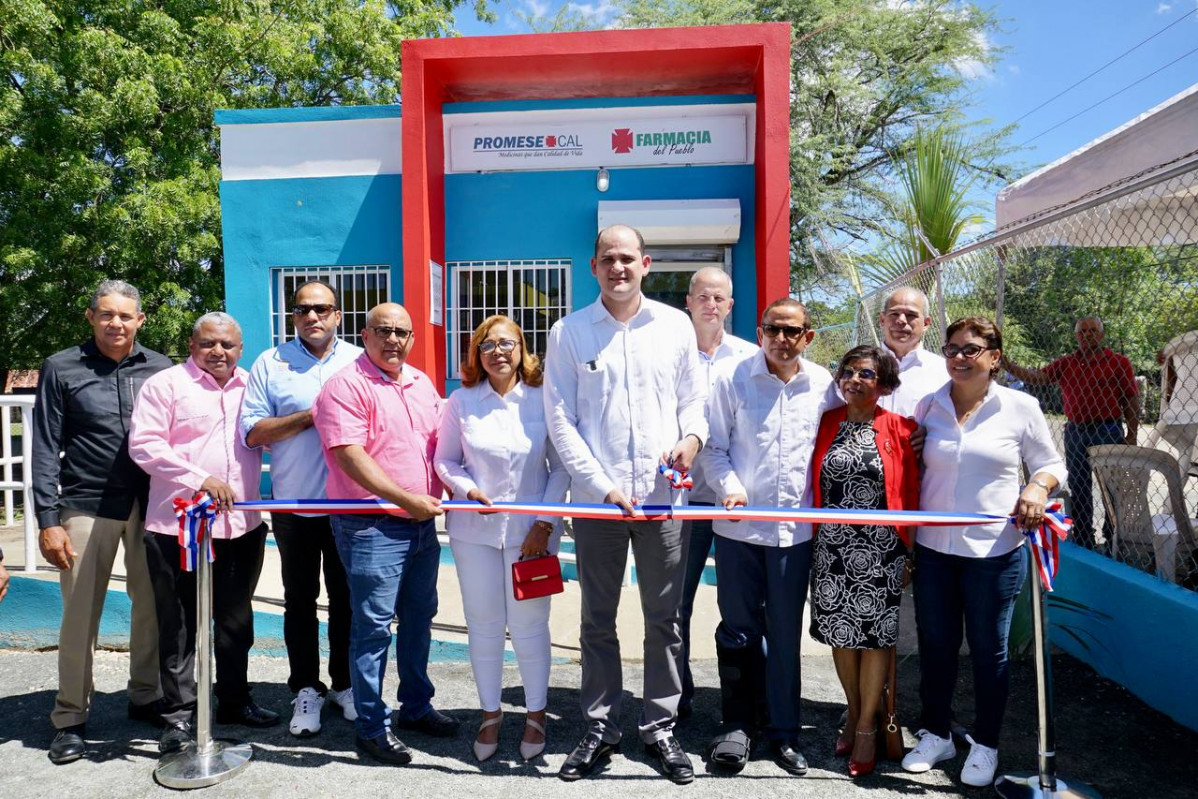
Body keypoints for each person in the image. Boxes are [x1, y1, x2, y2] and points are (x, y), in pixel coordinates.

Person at [544, 224, 706, 784]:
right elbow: (560, 421)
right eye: (607, 259)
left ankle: (660, 725)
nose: (618, 268)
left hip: (663, 502)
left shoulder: (675, 326)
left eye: (627, 259)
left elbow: (695, 401)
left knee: (665, 619)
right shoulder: (569, 332)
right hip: (599, 505)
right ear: (593, 267)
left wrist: (691, 440)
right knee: (597, 620)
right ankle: (600, 725)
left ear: (646, 264)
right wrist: (600, 484)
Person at [904, 316, 1066, 787]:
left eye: (970, 349)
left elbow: (1051, 463)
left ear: (994, 358)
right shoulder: (928, 405)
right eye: (952, 348)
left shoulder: (1020, 406)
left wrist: (1037, 487)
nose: (958, 357)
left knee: (987, 650)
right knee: (935, 645)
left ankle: (985, 744)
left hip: (994, 552)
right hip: (935, 549)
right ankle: (936, 734)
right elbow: (916, 464)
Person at [31, 280, 173, 765]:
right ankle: (70, 717)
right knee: (79, 616)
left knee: (152, 605)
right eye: (107, 314)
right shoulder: (61, 367)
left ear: (140, 320)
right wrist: (48, 519)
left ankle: (146, 695)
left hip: (151, 504)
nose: (116, 323)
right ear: (90, 317)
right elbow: (46, 447)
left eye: (126, 316)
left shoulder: (161, 368)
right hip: (86, 504)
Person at [312, 302, 458, 766]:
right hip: (371, 526)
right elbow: (348, 454)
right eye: (383, 330)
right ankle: (372, 728)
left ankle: (415, 706)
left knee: (420, 617)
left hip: (421, 526)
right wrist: (404, 499)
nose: (393, 339)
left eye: (402, 332)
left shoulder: (419, 383)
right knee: (374, 627)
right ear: (364, 333)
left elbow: (445, 440)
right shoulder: (345, 385)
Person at [700, 297, 840, 776]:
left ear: (808, 337)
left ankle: (783, 732)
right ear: (761, 332)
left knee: (784, 636)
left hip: (794, 535)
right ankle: (737, 725)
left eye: (793, 331)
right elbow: (713, 449)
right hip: (738, 530)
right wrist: (731, 488)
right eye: (773, 329)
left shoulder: (825, 385)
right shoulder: (732, 378)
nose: (782, 339)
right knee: (738, 632)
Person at [129, 312, 279, 756]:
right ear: (192, 345)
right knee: (178, 627)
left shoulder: (253, 385)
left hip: (241, 527)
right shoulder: (166, 384)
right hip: (177, 527)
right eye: (209, 344)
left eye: (228, 345)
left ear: (240, 347)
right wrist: (200, 477)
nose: (219, 352)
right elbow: (145, 445)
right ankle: (178, 717)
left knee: (235, 622)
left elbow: (269, 437)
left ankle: (234, 702)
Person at [433, 315, 569, 762]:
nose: (498, 351)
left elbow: (560, 468)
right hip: (475, 533)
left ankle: (535, 715)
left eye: (507, 343)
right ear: (477, 353)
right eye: (488, 344)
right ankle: (490, 714)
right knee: (485, 626)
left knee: (530, 628)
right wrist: (468, 490)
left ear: (522, 349)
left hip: (533, 537)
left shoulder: (542, 400)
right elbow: (445, 461)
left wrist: (544, 524)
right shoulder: (461, 401)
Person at [240, 280, 363, 737]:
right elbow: (252, 432)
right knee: (299, 602)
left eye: (322, 309)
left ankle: (344, 685)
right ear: (292, 317)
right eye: (302, 310)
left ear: (337, 315)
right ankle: (305, 689)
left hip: (350, 505)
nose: (312, 317)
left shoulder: (359, 360)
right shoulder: (271, 363)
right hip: (294, 506)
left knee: (348, 602)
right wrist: (313, 414)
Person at [809, 345, 919, 778]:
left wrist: (909, 552)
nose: (854, 380)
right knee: (841, 634)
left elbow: (910, 493)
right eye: (848, 372)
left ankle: (869, 726)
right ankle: (855, 713)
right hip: (832, 548)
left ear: (885, 384)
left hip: (882, 551)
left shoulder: (902, 430)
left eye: (866, 374)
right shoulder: (826, 423)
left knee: (875, 639)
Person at [677, 266, 757, 719]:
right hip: (683, 502)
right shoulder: (670, 354)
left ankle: (742, 702)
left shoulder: (749, 358)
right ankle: (679, 694)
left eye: (720, 298)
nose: (711, 304)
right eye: (703, 296)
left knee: (740, 608)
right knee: (676, 605)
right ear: (688, 302)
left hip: (733, 501)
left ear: (730, 305)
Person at [1003, 316, 1137, 552]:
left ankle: (1113, 536)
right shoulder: (1067, 363)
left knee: (1111, 486)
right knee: (1079, 484)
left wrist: (1132, 432)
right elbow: (1039, 378)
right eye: (1082, 332)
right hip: (1076, 430)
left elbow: (1130, 397)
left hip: (1108, 429)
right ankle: (1084, 537)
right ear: (1076, 337)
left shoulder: (1118, 362)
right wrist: (1008, 365)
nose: (1087, 335)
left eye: (1092, 330)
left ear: (1101, 335)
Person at [876, 286, 947, 417]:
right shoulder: (857, 369)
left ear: (926, 323)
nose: (901, 320)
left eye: (911, 315)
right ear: (882, 320)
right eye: (894, 314)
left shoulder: (944, 372)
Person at [1147, 330, 1198, 479]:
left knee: (1186, 450)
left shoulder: (1182, 343)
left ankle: (1170, 502)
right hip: (1185, 412)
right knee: (1187, 450)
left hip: (1177, 408)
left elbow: (1169, 385)